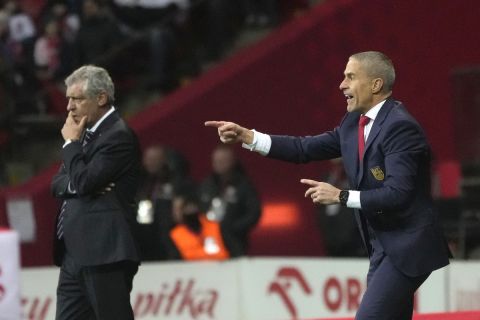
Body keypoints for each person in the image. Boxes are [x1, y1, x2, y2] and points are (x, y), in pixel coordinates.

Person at [205, 51, 451, 319]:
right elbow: (303, 148)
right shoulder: (352, 125)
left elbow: (398, 194)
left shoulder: (400, 127)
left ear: (376, 84)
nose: (341, 85)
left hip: (408, 245)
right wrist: (248, 136)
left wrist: (341, 196)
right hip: (382, 246)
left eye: (350, 77)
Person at [51, 65, 141, 320]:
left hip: (105, 250)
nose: (69, 106)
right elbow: (57, 184)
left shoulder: (118, 136)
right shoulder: (84, 136)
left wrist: (70, 145)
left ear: (100, 98)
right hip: (73, 253)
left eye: (76, 99)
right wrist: (79, 184)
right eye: (68, 99)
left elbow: (83, 181)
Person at [198, 144, 261, 257]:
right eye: (216, 161)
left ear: (232, 161)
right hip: (207, 241)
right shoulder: (207, 185)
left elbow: (254, 213)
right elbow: (199, 207)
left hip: (234, 243)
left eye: (223, 160)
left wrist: (233, 228)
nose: (219, 164)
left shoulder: (243, 186)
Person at [167, 192, 230, 261]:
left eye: (193, 207)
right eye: (187, 208)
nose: (190, 210)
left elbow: (226, 252)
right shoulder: (176, 234)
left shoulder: (214, 227)